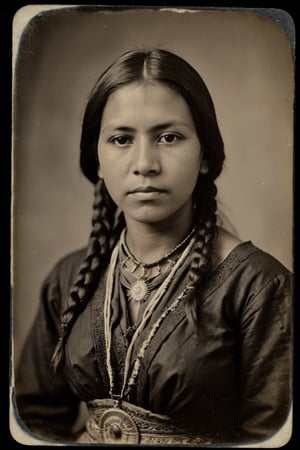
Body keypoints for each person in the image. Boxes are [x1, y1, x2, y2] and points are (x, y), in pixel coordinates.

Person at [14, 48, 292, 446]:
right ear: (96, 159)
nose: (145, 163)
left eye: (168, 137)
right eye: (121, 139)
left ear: (206, 157)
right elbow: (34, 420)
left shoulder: (259, 286)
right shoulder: (71, 277)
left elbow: (272, 436)